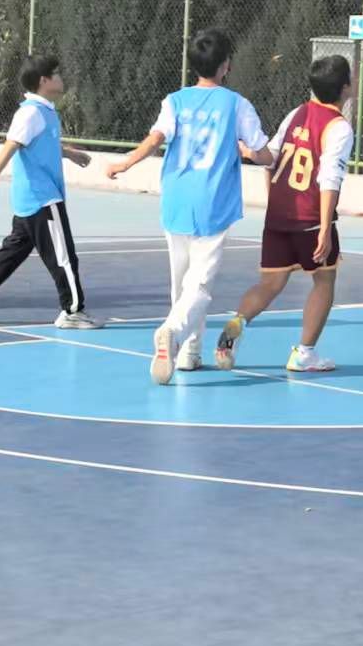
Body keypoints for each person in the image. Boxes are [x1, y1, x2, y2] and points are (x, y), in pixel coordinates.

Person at [104, 29, 273, 384]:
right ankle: (173, 332)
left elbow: (156, 138)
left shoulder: (174, 101)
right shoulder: (237, 104)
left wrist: (125, 162)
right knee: (199, 286)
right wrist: (260, 155)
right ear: (226, 65)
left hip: (177, 199)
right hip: (213, 203)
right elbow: (261, 151)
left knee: (180, 282)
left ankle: (188, 353)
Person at [213, 54, 355, 376]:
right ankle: (305, 354)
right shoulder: (339, 128)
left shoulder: (296, 113)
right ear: (346, 87)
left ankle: (237, 324)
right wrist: (324, 229)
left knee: (270, 283)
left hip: (278, 215)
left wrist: (273, 198)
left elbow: (272, 158)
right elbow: (329, 178)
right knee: (324, 281)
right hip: (311, 218)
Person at [0, 54, 96, 327]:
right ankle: (73, 312)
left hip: (31, 200)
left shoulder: (45, 111)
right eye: (56, 74)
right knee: (64, 257)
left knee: (12, 254)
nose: (61, 78)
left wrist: (69, 153)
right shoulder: (31, 113)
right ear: (44, 81)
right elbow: (11, 147)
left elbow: (39, 144)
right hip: (42, 198)